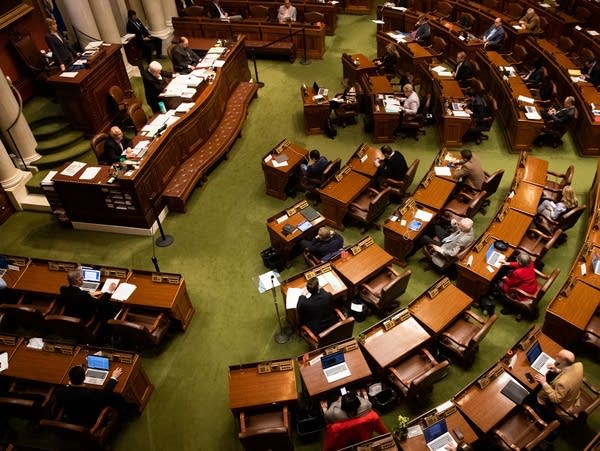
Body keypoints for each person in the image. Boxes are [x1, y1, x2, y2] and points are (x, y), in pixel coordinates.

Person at [56, 365, 122, 427]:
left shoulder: (59, 392)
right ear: (84, 378)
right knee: (115, 398)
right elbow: (105, 393)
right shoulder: (90, 393)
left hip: (70, 419)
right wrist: (114, 377)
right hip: (90, 422)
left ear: (69, 378)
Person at [534, 349, 584, 421]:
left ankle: (538, 409)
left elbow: (556, 399)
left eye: (558, 356)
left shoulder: (563, 382)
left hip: (561, 405)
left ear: (563, 361)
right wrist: (556, 370)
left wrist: (544, 383)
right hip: (572, 392)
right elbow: (568, 371)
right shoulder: (579, 365)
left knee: (537, 395)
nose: (556, 355)